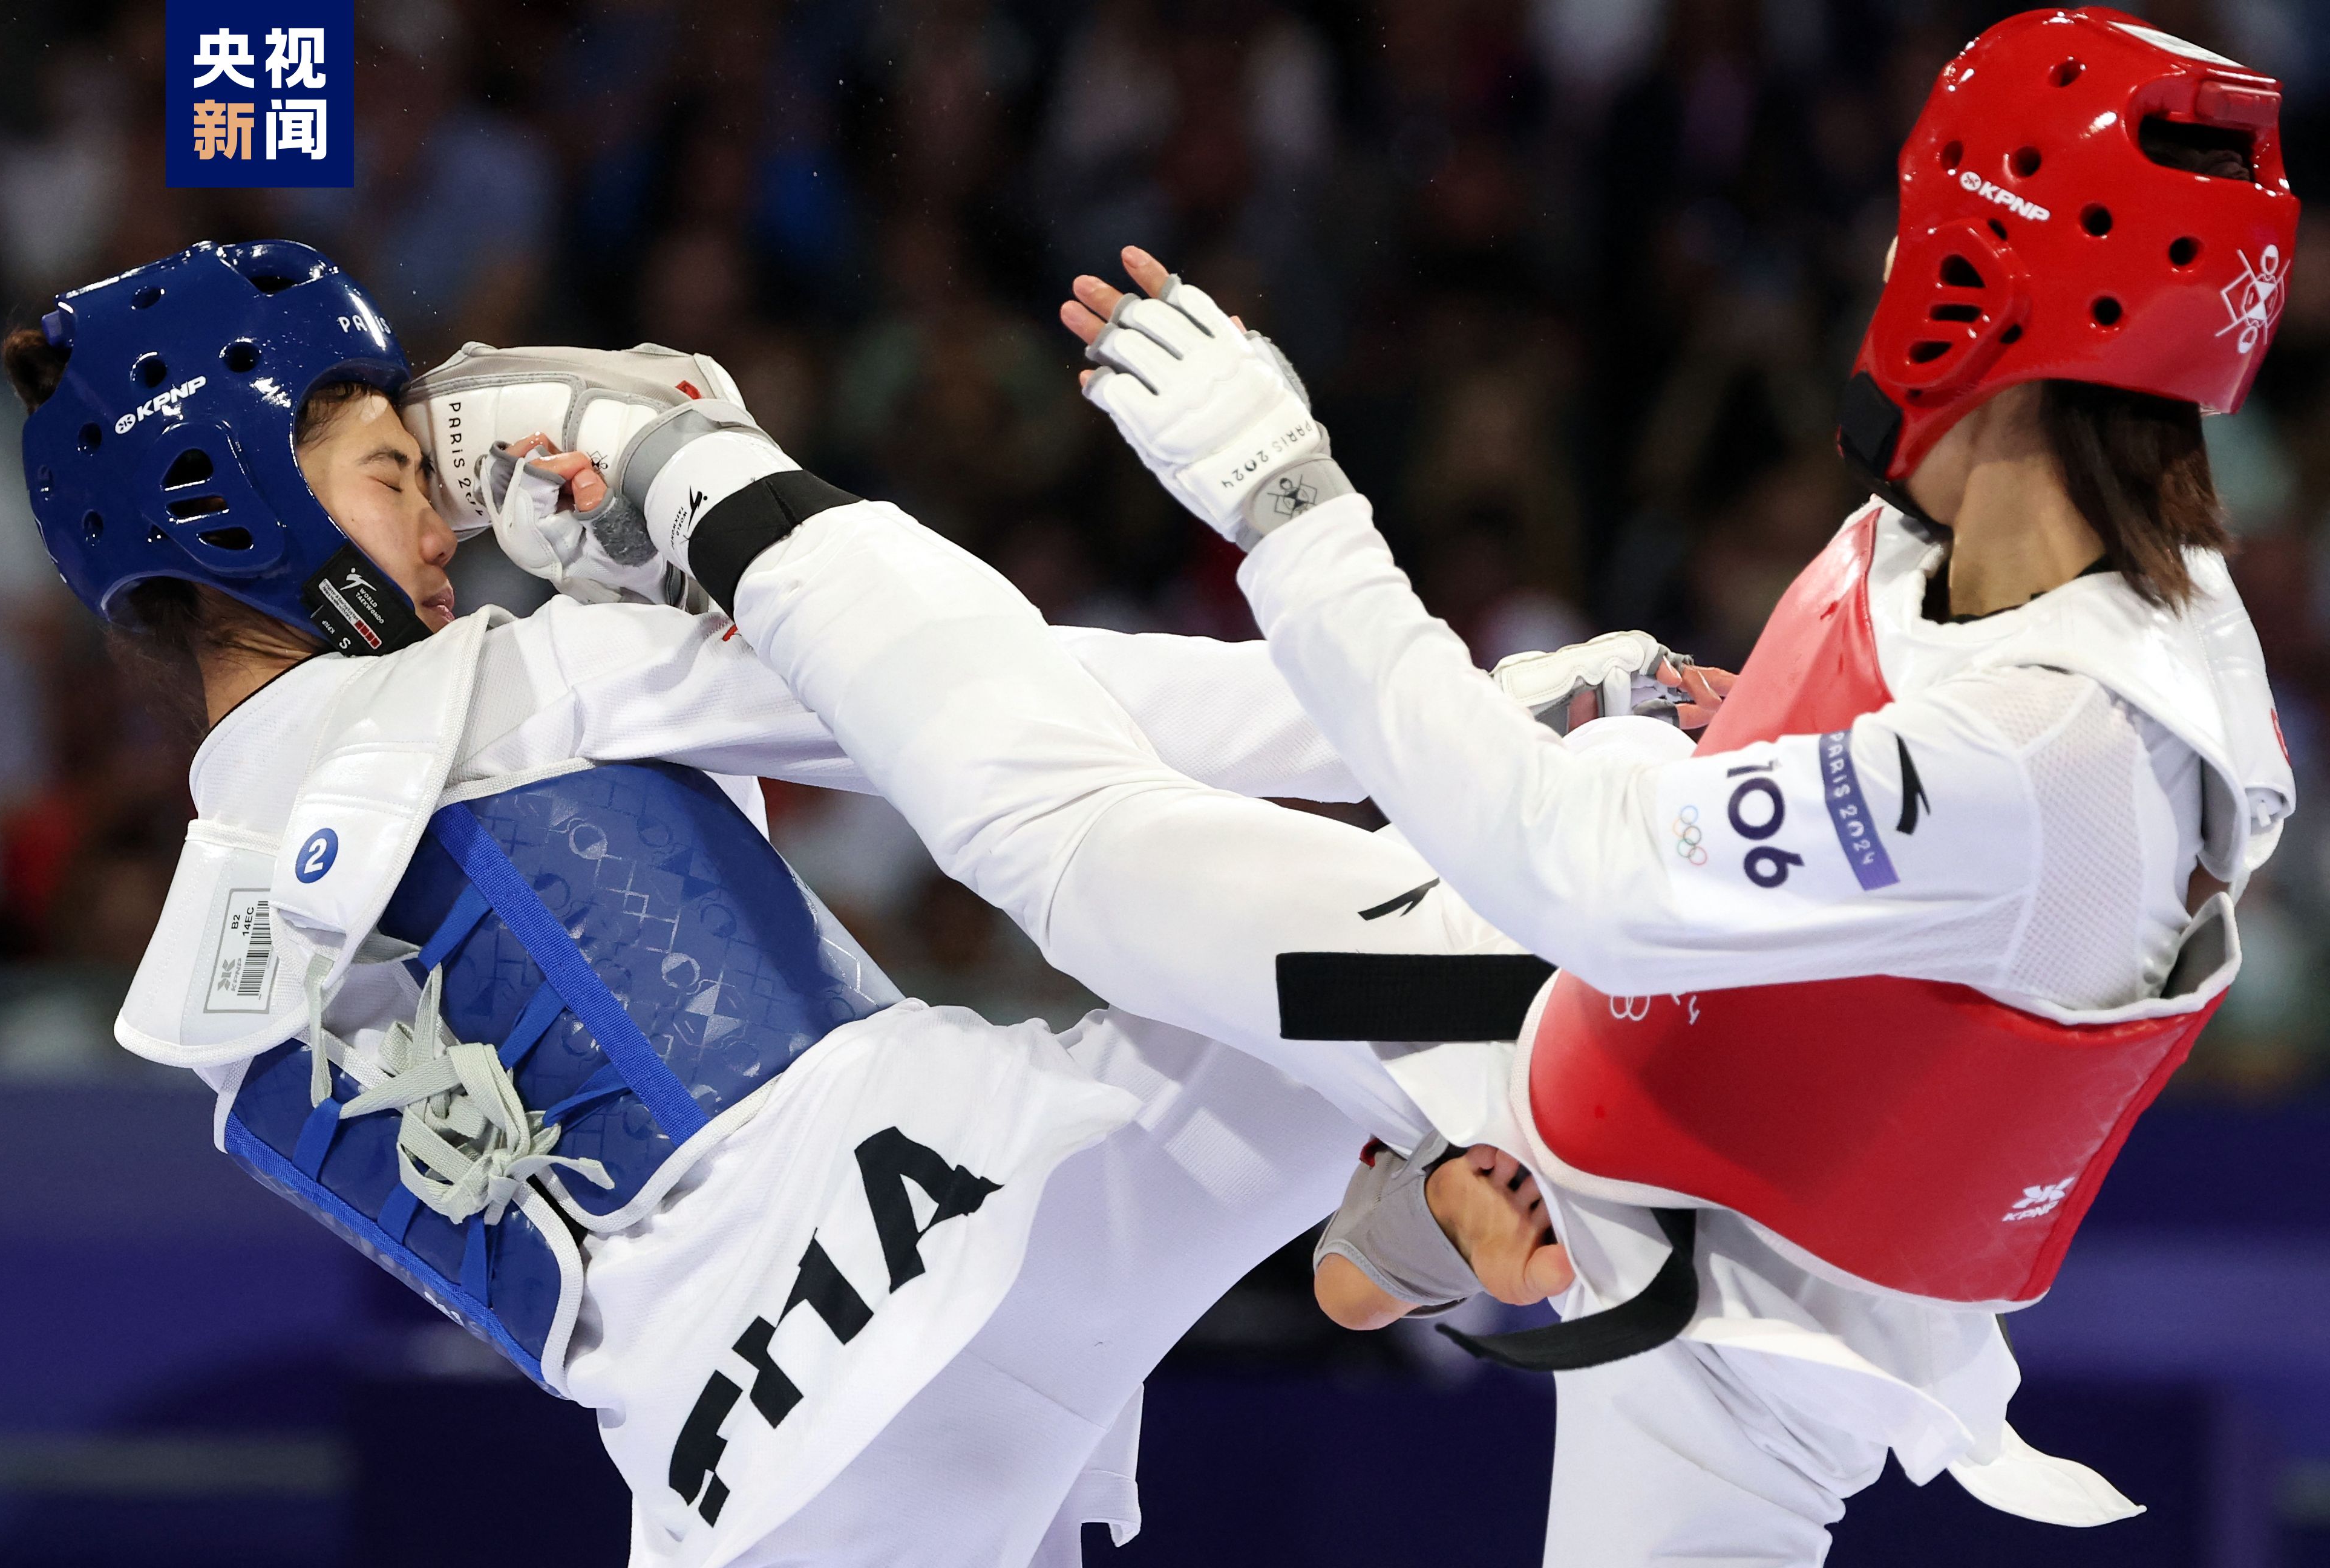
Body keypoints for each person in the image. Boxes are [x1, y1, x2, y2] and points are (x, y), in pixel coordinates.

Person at [543, 7, 2295, 1563]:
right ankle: (693, 475)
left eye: (1918, 233)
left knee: (1124, 807)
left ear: (1977, 282)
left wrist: (1285, 496)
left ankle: (1424, 1170)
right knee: (1078, 841)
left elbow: (1585, 868)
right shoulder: (1992, 566)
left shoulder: (2060, 749)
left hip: (1752, 1303)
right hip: (1588, 1065)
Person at [16, 239, 1597, 1568]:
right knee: (1435, 907)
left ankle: (1417, 1157)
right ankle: (1435, 1137)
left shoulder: (205, 981)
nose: (444, 528)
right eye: (393, 475)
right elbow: (1030, 698)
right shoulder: (520, 681)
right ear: (231, 500)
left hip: (738, 1473)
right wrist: (1496, 713)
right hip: (954, 1215)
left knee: (1337, 962)